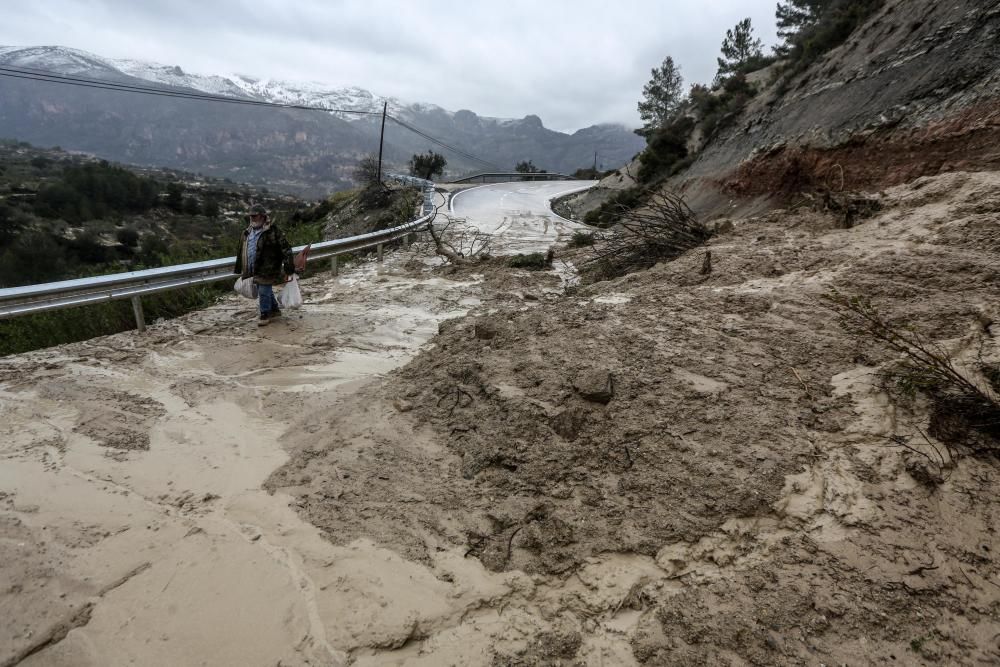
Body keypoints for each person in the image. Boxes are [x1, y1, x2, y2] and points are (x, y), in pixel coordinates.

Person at [234, 204, 295, 326]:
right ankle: (275, 310)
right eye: (251, 216)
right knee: (265, 289)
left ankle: (264, 314)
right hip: (253, 267)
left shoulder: (273, 231)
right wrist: (241, 267)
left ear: (262, 217)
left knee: (263, 290)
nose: (252, 219)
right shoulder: (247, 232)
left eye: (255, 216)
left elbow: (286, 248)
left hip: (269, 267)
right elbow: (242, 250)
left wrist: (289, 266)